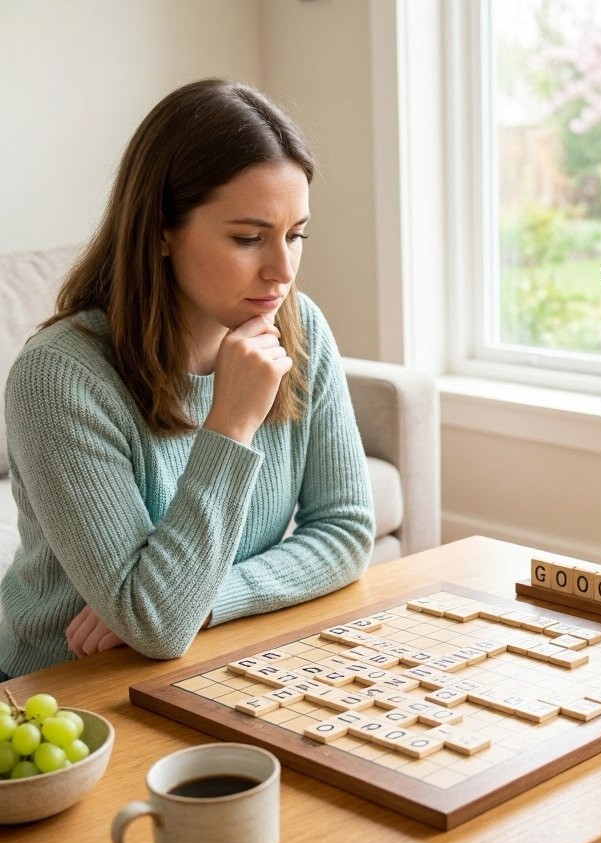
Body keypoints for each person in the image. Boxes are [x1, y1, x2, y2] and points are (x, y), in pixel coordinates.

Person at [0, 79, 376, 678]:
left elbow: (347, 530)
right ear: (160, 230)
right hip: (61, 684)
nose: (282, 270)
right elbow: (154, 623)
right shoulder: (59, 377)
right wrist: (231, 424)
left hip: (215, 657)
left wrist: (204, 600)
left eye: (295, 235)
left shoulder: (300, 327)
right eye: (248, 238)